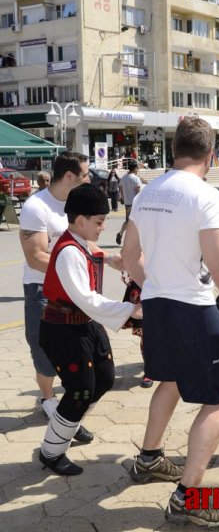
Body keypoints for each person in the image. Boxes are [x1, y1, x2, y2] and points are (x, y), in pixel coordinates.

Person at [121, 117, 219, 530]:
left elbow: (131, 257)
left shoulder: (147, 191)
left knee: (168, 379)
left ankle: (148, 458)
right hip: (194, 309)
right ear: (211, 154)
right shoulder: (205, 196)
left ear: (173, 149)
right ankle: (188, 496)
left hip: (157, 307)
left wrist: (158, 284)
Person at [38, 184, 136, 476]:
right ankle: (51, 452)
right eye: (99, 221)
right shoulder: (69, 251)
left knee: (104, 379)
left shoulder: (79, 242)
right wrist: (132, 311)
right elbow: (86, 299)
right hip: (63, 329)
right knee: (80, 390)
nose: (103, 227)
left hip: (85, 324)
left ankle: (68, 423)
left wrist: (110, 258)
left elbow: (93, 251)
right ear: (80, 220)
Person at [19, 152, 122, 420]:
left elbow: (83, 243)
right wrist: (71, 271)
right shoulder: (36, 207)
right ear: (69, 176)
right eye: (86, 174)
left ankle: (69, 412)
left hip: (78, 290)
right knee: (44, 356)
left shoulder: (77, 204)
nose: (89, 179)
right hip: (43, 292)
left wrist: (108, 258)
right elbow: (35, 255)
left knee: (82, 361)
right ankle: (48, 400)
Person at [115, 160, 141, 246]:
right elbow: (138, 192)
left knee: (128, 220)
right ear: (134, 169)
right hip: (135, 203)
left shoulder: (124, 178)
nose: (138, 169)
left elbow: (121, 189)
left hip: (127, 203)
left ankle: (121, 233)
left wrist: (122, 198)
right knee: (135, 222)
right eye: (137, 168)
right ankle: (132, 240)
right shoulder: (136, 178)